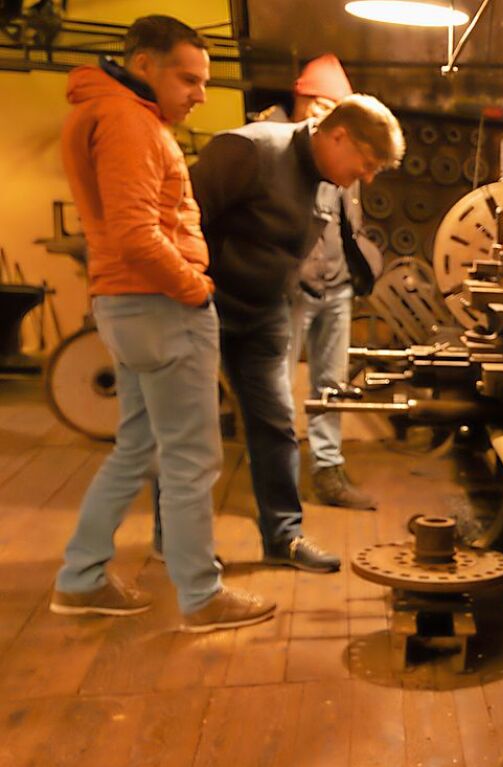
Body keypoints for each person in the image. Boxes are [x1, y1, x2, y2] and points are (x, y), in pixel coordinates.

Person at [52, 15, 275, 632]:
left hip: (128, 306)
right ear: (144, 64)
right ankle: (202, 595)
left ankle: (81, 577)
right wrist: (194, 288)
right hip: (160, 304)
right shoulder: (127, 121)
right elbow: (135, 233)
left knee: (138, 448)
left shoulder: (112, 113)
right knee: (192, 459)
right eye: (189, 79)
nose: (199, 94)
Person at [190, 94, 405, 572]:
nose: (366, 178)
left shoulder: (331, 179)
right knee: (191, 433)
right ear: (338, 135)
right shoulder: (249, 151)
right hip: (203, 309)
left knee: (276, 424)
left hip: (264, 312)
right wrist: (191, 287)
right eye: (366, 164)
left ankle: (283, 537)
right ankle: (178, 543)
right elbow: (181, 218)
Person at [259, 54, 380, 510]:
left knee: (331, 383)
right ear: (308, 102)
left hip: (337, 284)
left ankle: (328, 472)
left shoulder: (342, 147)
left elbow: (349, 217)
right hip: (288, 288)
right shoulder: (271, 145)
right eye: (331, 107)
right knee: (275, 383)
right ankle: (276, 479)